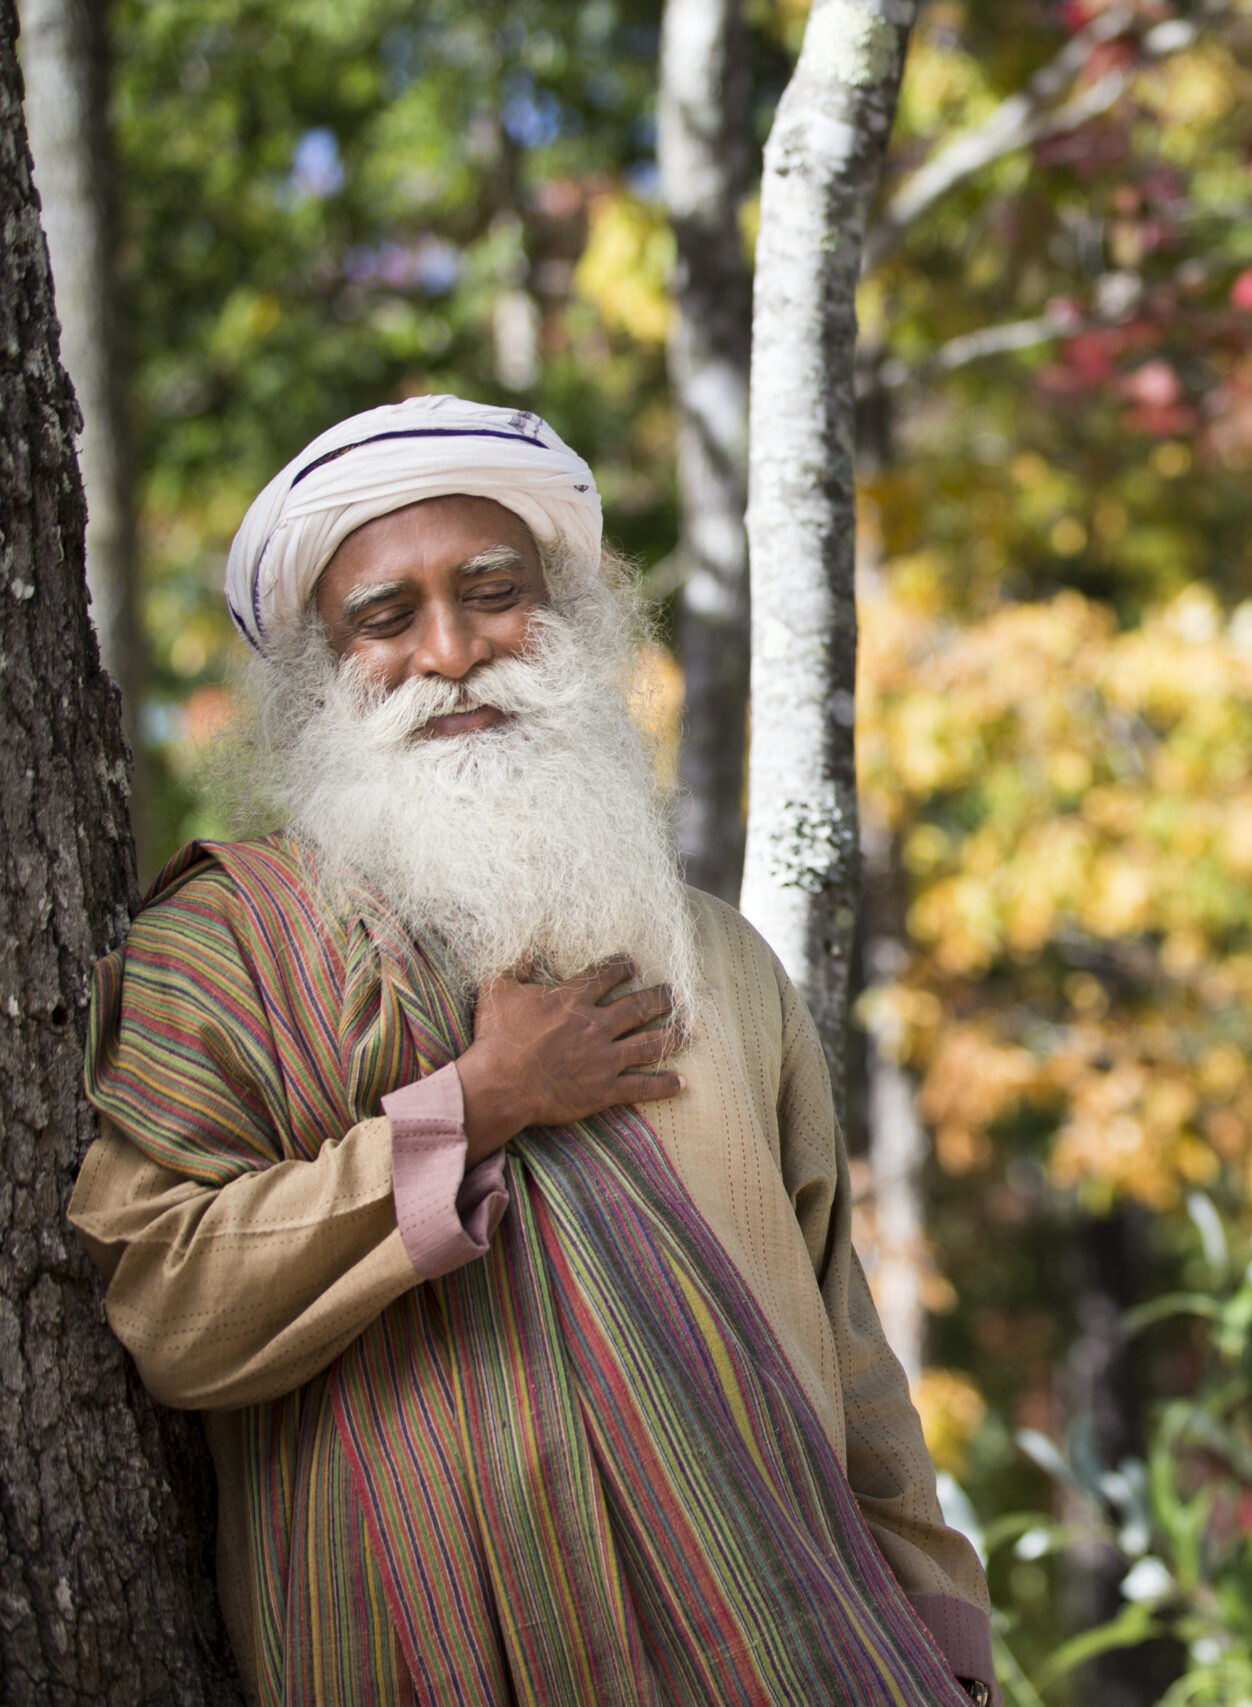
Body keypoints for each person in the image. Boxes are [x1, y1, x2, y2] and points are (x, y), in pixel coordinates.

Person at [68, 396, 996, 1706]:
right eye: (384, 618)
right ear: (320, 675)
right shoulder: (227, 946)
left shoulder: (721, 965)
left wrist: (951, 1652)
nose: (449, 651)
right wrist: (480, 1105)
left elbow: (850, 1357)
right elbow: (171, 1304)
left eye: (492, 591)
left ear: (566, 613)